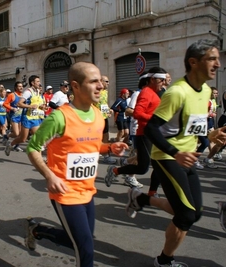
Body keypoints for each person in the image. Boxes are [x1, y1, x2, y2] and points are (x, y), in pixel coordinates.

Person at [126, 39, 226, 267]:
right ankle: (164, 261)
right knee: (187, 215)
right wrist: (175, 152)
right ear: (193, 62)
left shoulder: (205, 91)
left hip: (186, 156)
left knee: (195, 212)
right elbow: (151, 128)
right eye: (212, 59)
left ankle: (142, 199)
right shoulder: (177, 92)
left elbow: (190, 126)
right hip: (167, 157)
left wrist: (210, 135)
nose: (218, 64)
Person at [25, 62, 128, 267]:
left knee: (78, 239)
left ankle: (37, 231)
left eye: (101, 80)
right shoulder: (59, 117)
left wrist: (109, 148)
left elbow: (91, 146)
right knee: (86, 248)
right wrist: (49, 176)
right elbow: (33, 148)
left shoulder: (98, 115)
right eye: (94, 81)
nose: (101, 86)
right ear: (76, 86)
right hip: (65, 192)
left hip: (87, 190)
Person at [105, 67, 167, 189]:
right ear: (152, 79)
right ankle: (116, 171)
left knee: (159, 164)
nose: (164, 83)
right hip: (144, 134)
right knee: (142, 167)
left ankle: (152, 193)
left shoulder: (155, 93)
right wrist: (156, 119)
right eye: (162, 80)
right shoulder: (146, 92)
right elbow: (137, 113)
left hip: (154, 133)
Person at [4, 75, 44, 155]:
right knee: (23, 139)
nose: (39, 83)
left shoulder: (38, 92)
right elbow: (19, 103)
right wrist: (30, 106)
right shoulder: (28, 92)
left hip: (35, 118)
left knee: (38, 138)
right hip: (27, 118)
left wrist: (41, 106)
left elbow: (36, 103)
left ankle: (40, 159)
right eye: (37, 81)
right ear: (32, 83)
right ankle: (10, 145)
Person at [94, 75, 116, 164]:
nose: (108, 83)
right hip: (96, 118)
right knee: (97, 137)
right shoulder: (95, 92)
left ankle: (106, 155)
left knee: (106, 136)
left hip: (104, 117)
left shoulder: (105, 92)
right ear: (101, 81)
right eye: (106, 81)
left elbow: (104, 104)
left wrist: (108, 110)